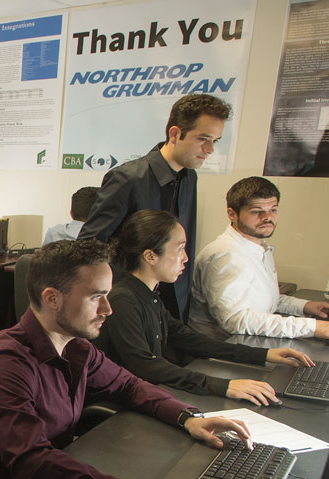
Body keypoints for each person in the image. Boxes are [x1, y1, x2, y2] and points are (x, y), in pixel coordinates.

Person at [0, 239, 263, 479]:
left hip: (46, 473)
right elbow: (30, 461)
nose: (107, 309)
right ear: (52, 298)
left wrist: (187, 417)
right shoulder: (8, 362)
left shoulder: (76, 345)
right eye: (96, 297)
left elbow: (130, 386)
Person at [95, 210, 314, 406]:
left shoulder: (148, 295)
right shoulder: (124, 300)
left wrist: (263, 355)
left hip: (148, 396)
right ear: (150, 256)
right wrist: (224, 386)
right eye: (180, 249)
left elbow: (189, 338)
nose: (186, 258)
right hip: (123, 405)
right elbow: (145, 366)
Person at [78, 94, 232, 322]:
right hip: (127, 305)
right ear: (175, 133)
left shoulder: (189, 177)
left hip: (171, 303)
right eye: (203, 139)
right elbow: (89, 246)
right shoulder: (127, 178)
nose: (210, 149)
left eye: (215, 141)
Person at [189, 177, 329, 349]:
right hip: (221, 353)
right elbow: (235, 320)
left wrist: (305, 307)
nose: (267, 217)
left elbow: (262, 302)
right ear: (232, 214)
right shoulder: (226, 256)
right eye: (257, 211)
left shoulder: (257, 246)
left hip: (248, 343)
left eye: (273, 210)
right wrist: (313, 327)